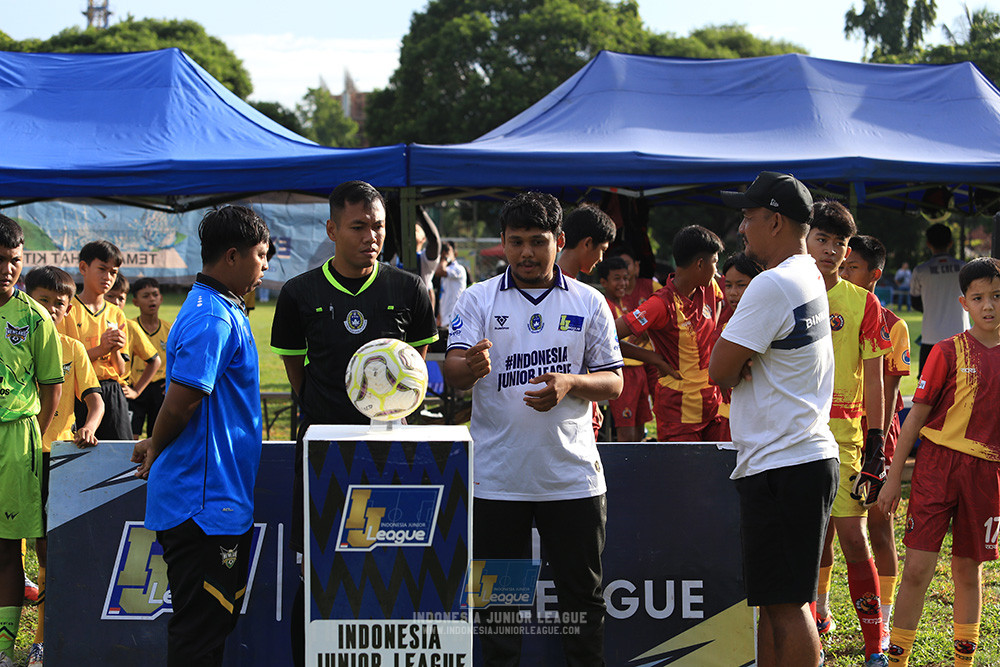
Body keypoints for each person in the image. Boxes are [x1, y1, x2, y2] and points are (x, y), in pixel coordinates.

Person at [444, 191, 623, 665]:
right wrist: (471, 366)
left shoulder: (590, 301)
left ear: (559, 241)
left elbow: (614, 381)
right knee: (500, 612)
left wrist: (571, 383)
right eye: (516, 241)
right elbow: (454, 371)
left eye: (538, 242)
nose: (526, 252)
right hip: (497, 482)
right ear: (501, 243)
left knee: (582, 603)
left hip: (571, 478)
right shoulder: (476, 298)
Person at [270, 181, 438, 667]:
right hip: (324, 450)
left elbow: (414, 368)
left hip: (391, 451)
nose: (371, 236)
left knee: (392, 563)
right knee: (319, 567)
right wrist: (330, 416)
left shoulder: (409, 288)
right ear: (332, 229)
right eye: (358, 226)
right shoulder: (299, 294)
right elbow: (297, 376)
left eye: (379, 226)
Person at [710, 171, 838, 667]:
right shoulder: (807, 274)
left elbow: (719, 368)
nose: (741, 227)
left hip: (784, 463)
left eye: (748, 216)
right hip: (790, 458)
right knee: (773, 604)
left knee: (786, 607)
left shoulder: (774, 283)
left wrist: (738, 360)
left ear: (775, 220)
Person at [131, 205, 269, 666]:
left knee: (210, 627)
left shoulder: (223, 307)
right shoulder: (213, 317)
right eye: (260, 255)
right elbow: (182, 402)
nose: (265, 265)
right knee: (199, 632)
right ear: (232, 256)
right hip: (203, 505)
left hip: (216, 502)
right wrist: (155, 444)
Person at [877, 257, 1000, 667]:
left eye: (997, 297)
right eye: (979, 297)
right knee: (917, 570)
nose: (989, 306)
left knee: (969, 572)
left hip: (985, 475)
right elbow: (913, 419)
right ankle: (898, 660)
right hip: (935, 468)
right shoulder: (947, 351)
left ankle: (963, 661)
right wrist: (894, 478)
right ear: (964, 303)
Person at [806, 201, 891, 667]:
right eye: (822, 238)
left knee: (852, 535)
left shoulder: (863, 302)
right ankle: (814, 619)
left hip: (845, 435)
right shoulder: (784, 292)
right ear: (804, 239)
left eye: (840, 242)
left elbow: (875, 376)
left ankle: (874, 643)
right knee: (807, 536)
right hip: (794, 431)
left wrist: (876, 443)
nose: (831, 249)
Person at [23, 265, 105, 665]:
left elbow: (95, 399)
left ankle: (41, 636)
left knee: (48, 552)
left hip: (58, 459)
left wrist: (88, 426)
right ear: (27, 298)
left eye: (59, 304)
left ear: (69, 307)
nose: (51, 309)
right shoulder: (14, 343)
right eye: (43, 301)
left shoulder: (73, 349)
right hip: (18, 455)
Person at [841, 235, 911, 648]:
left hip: (876, 435)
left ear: (874, 275)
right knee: (831, 529)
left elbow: (887, 391)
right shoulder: (829, 309)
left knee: (879, 525)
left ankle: (883, 619)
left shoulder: (893, 324)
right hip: (838, 430)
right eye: (843, 265)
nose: (843, 272)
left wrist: (878, 452)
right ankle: (824, 610)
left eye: (852, 267)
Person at [0, 215, 64, 667]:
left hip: (15, 442)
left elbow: (51, 389)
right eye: (0, 260)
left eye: (15, 261)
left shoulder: (34, 316)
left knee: (7, 548)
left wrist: (30, 442)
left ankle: (5, 651)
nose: (8, 269)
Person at [616, 225, 726, 442]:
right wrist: (652, 358)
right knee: (684, 475)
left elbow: (718, 307)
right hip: (678, 411)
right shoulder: (659, 304)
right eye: (715, 263)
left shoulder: (710, 286)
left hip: (714, 405)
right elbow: (605, 336)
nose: (718, 270)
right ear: (700, 264)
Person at [58, 240, 132, 440]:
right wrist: (101, 349)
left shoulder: (116, 313)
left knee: (120, 459)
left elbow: (120, 370)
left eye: (113, 272)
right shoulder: (68, 310)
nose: (108, 277)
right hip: (79, 393)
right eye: (102, 269)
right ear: (83, 267)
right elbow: (65, 363)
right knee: (77, 457)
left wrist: (114, 349)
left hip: (112, 392)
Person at [598, 255, 652, 441]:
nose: (623, 283)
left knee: (640, 423)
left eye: (626, 278)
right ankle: (628, 466)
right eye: (617, 278)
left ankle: (637, 465)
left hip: (639, 370)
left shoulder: (625, 305)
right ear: (603, 281)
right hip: (625, 371)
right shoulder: (606, 305)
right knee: (626, 426)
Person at [105, 275, 162, 439]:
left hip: (118, 391)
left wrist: (136, 391)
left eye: (121, 298)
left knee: (124, 446)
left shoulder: (130, 327)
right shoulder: (89, 321)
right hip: (88, 391)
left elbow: (154, 360)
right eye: (111, 296)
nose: (116, 302)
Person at [715, 252, 764, 439]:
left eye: (741, 285)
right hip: (730, 417)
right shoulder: (726, 328)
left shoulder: (769, 324)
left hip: (760, 419)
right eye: (728, 285)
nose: (733, 293)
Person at [910, 223, 968, 373]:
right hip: (960, 335)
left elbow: (915, 303)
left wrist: (933, 308)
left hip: (931, 336)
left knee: (929, 387)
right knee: (962, 384)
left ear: (928, 244)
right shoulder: (964, 268)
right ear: (951, 243)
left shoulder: (920, 270)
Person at [129, 277, 171, 438]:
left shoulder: (169, 330)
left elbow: (180, 359)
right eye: (145, 296)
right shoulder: (130, 327)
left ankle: (152, 464)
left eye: (155, 294)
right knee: (131, 437)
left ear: (160, 298)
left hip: (160, 391)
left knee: (157, 438)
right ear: (135, 301)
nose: (151, 299)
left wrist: (171, 382)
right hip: (135, 388)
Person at [556, 203, 617, 278]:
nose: (601, 259)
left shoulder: (545, 281)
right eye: (602, 250)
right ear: (587, 243)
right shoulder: (569, 286)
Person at [435, 240, 467, 327]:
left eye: (447, 251)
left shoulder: (458, 269)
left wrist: (446, 258)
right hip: (444, 321)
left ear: (455, 253)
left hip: (456, 321)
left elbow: (439, 271)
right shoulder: (446, 270)